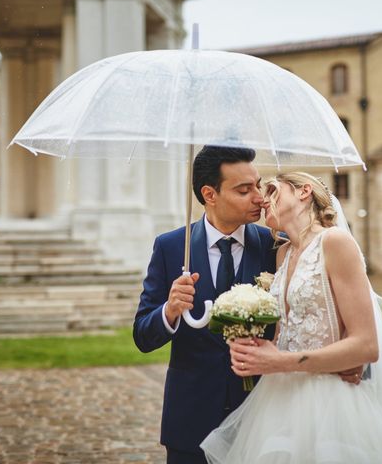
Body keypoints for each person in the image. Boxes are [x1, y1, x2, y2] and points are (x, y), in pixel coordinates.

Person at [133, 148, 364, 464]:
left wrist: (349, 361)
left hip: (267, 417)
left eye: (258, 185)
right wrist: (170, 311)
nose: (259, 197)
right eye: (245, 190)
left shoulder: (278, 246)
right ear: (209, 194)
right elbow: (143, 337)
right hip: (191, 422)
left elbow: (336, 308)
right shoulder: (171, 247)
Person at [201, 172, 382, 463]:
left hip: (330, 402)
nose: (262, 199)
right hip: (277, 401)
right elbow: (284, 332)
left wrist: (279, 362)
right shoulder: (282, 254)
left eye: (273, 190)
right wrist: (250, 346)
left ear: (304, 192)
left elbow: (366, 346)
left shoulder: (335, 243)